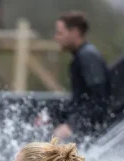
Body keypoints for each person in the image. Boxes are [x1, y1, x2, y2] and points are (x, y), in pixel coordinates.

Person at [48, 11, 112, 140]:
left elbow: (99, 99)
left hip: (93, 133)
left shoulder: (88, 57)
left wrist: (72, 126)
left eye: (60, 33)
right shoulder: (80, 56)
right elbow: (80, 100)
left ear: (75, 32)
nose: (56, 37)